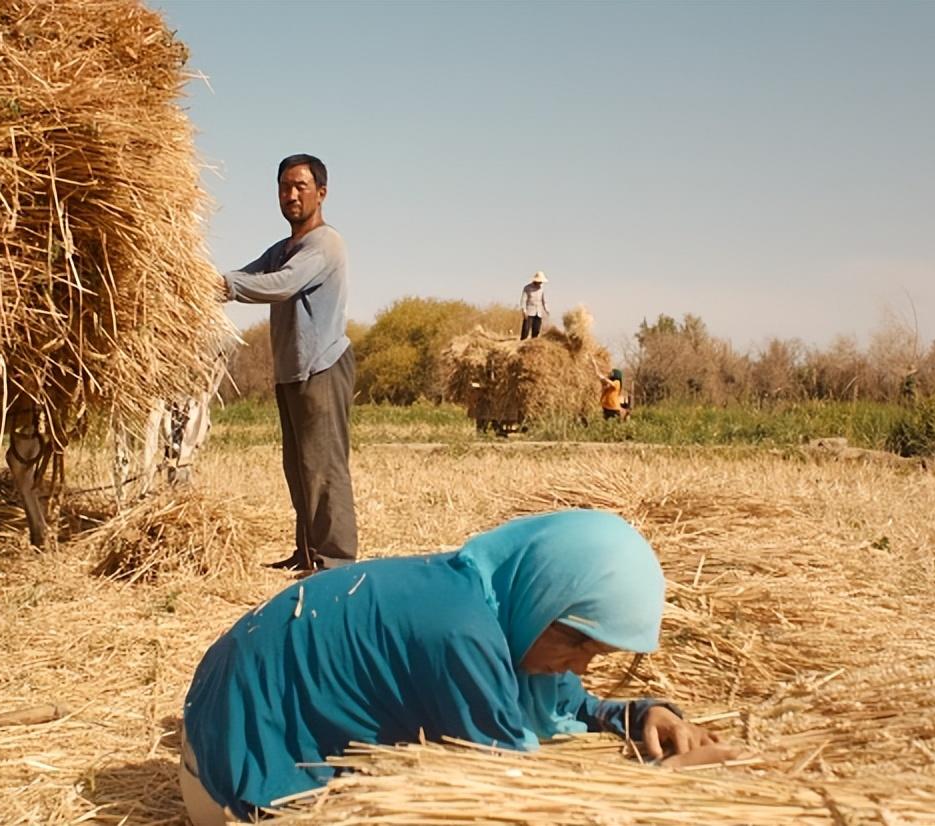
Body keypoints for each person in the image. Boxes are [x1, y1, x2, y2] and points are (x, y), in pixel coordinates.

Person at [180, 510, 734, 823]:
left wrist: (637, 716)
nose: (578, 668)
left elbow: (566, 701)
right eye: (574, 642)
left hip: (214, 740)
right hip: (236, 787)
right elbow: (521, 796)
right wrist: (662, 786)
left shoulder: (488, 594)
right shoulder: (462, 634)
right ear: (544, 593)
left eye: (596, 654)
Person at [222, 154, 357, 573]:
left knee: (324, 466)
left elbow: (281, 285)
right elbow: (248, 275)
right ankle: (307, 552)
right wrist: (198, 285)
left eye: (300, 186)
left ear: (322, 192)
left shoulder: (324, 243)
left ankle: (335, 560)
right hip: (290, 370)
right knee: (298, 467)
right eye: (284, 187)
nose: (291, 194)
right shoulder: (282, 248)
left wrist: (223, 285)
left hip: (320, 367)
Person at [519, 271, 549, 340]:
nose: (541, 282)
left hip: (538, 312)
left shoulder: (542, 289)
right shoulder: (527, 288)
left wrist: (547, 310)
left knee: (536, 330)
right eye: (540, 281)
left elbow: (544, 301)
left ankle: (533, 343)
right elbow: (523, 300)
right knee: (526, 329)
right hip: (529, 311)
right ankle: (522, 342)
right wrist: (524, 310)